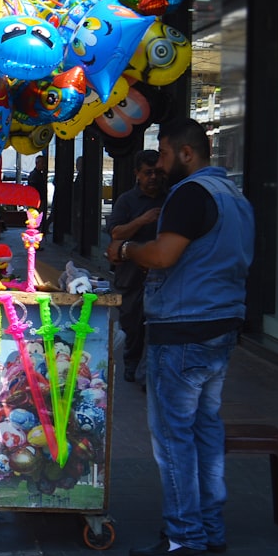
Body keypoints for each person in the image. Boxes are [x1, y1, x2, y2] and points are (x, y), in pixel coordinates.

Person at [105, 117, 254, 556]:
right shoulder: (235, 197)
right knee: (204, 431)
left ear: (187, 153)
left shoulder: (191, 193)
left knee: (173, 438)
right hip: (220, 326)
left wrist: (125, 251)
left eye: (165, 153)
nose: (161, 162)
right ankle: (209, 528)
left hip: (185, 328)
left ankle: (184, 536)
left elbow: (164, 256)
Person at [105, 150, 166, 384]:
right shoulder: (127, 201)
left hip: (161, 275)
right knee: (133, 324)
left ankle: (149, 372)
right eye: (148, 172)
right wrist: (143, 220)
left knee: (156, 326)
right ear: (137, 174)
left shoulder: (170, 198)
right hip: (131, 275)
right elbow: (116, 233)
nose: (153, 177)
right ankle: (132, 365)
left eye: (157, 172)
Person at [27, 154, 49, 231]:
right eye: (42, 163)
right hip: (36, 201)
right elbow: (33, 189)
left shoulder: (40, 174)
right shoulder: (34, 175)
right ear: (37, 163)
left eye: (44, 163)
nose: (44, 165)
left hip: (39, 200)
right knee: (35, 219)